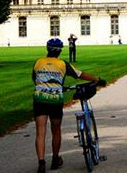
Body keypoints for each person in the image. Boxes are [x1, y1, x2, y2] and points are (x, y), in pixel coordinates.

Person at [32, 38, 105, 173]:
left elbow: (35, 79)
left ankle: (41, 163)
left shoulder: (38, 62)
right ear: (60, 51)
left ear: (47, 49)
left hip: (40, 99)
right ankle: (55, 159)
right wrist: (97, 79)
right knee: (56, 130)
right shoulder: (62, 64)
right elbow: (80, 74)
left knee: (40, 132)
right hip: (55, 101)